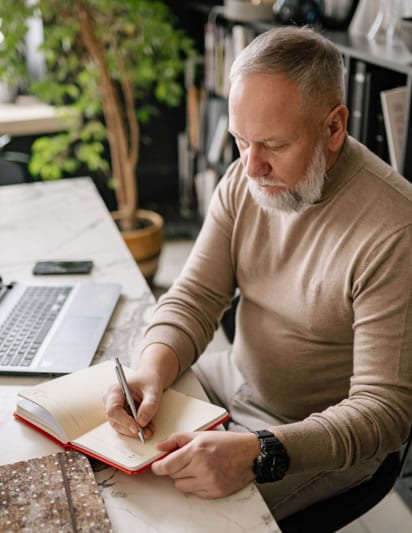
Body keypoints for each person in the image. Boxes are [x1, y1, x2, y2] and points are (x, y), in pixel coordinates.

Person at [104, 26, 412, 520]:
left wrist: (259, 450)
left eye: (272, 144)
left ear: (334, 128)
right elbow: (196, 296)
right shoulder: (244, 177)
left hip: (314, 434)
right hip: (234, 379)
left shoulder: (396, 228)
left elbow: (385, 413)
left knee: (168, 519)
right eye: (240, 141)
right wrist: (151, 370)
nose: (250, 168)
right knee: (110, 486)